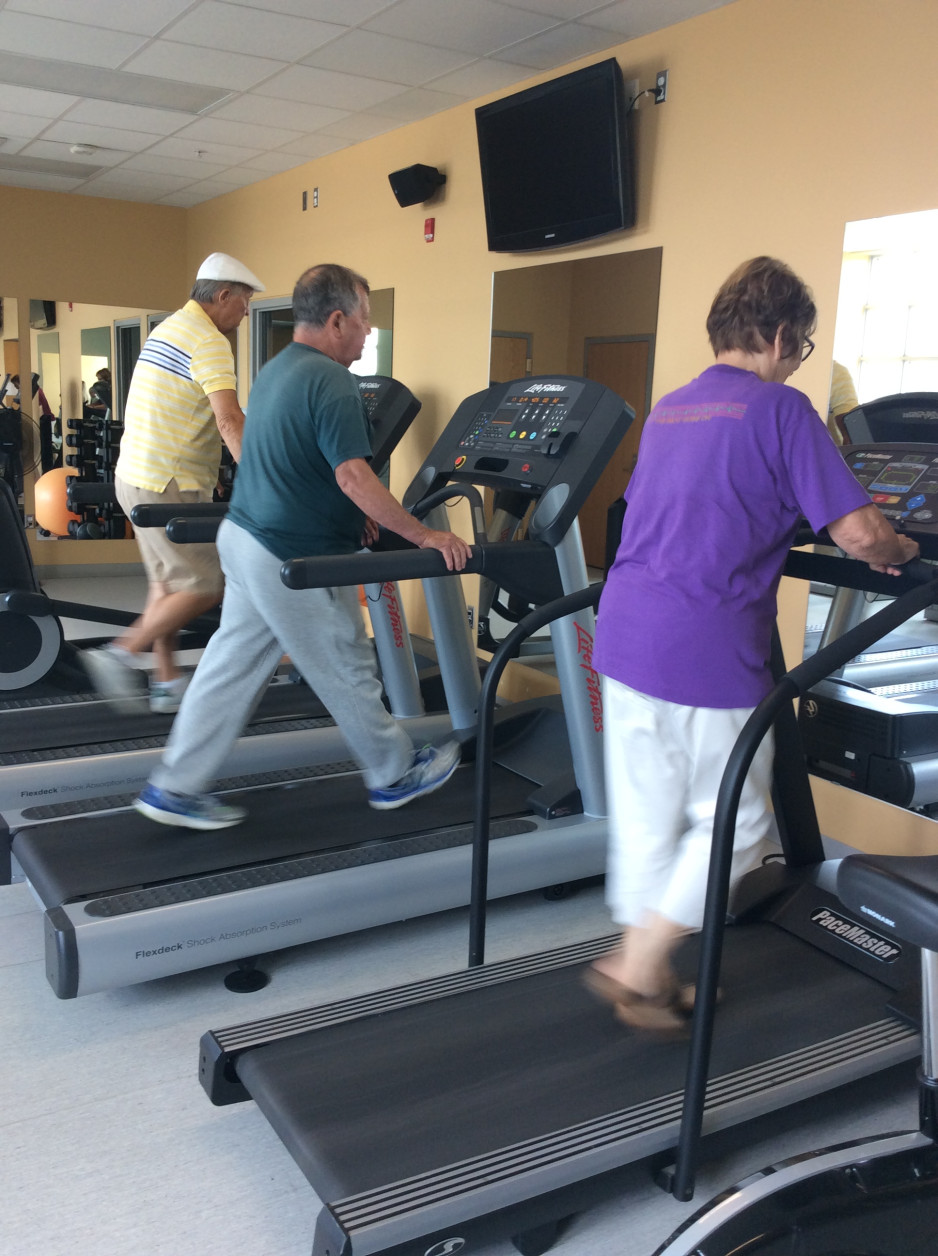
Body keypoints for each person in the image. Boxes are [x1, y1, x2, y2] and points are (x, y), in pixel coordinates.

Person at [586, 256, 919, 1033]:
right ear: (776, 335)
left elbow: (670, 506)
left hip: (626, 636)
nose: (795, 359)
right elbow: (862, 532)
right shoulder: (782, 411)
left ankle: (641, 960)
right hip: (707, 651)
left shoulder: (671, 408)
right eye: (799, 346)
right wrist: (898, 549)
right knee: (737, 825)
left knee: (648, 814)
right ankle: (640, 960)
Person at [133, 262, 471, 830]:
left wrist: (351, 516)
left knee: (228, 670)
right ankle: (392, 774)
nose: (367, 333)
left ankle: (174, 786)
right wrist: (425, 534)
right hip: (289, 558)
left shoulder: (276, 369)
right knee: (344, 659)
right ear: (337, 320)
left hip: (242, 540)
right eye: (364, 322)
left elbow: (290, 460)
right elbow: (353, 477)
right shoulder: (333, 381)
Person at [82, 252, 264, 713]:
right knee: (205, 585)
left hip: (134, 477)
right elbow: (229, 420)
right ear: (222, 296)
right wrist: (263, 484)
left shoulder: (168, 329)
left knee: (165, 585)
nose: (245, 315)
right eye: (244, 304)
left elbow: (183, 412)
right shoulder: (209, 341)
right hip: (167, 483)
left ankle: (166, 683)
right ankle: (122, 653)